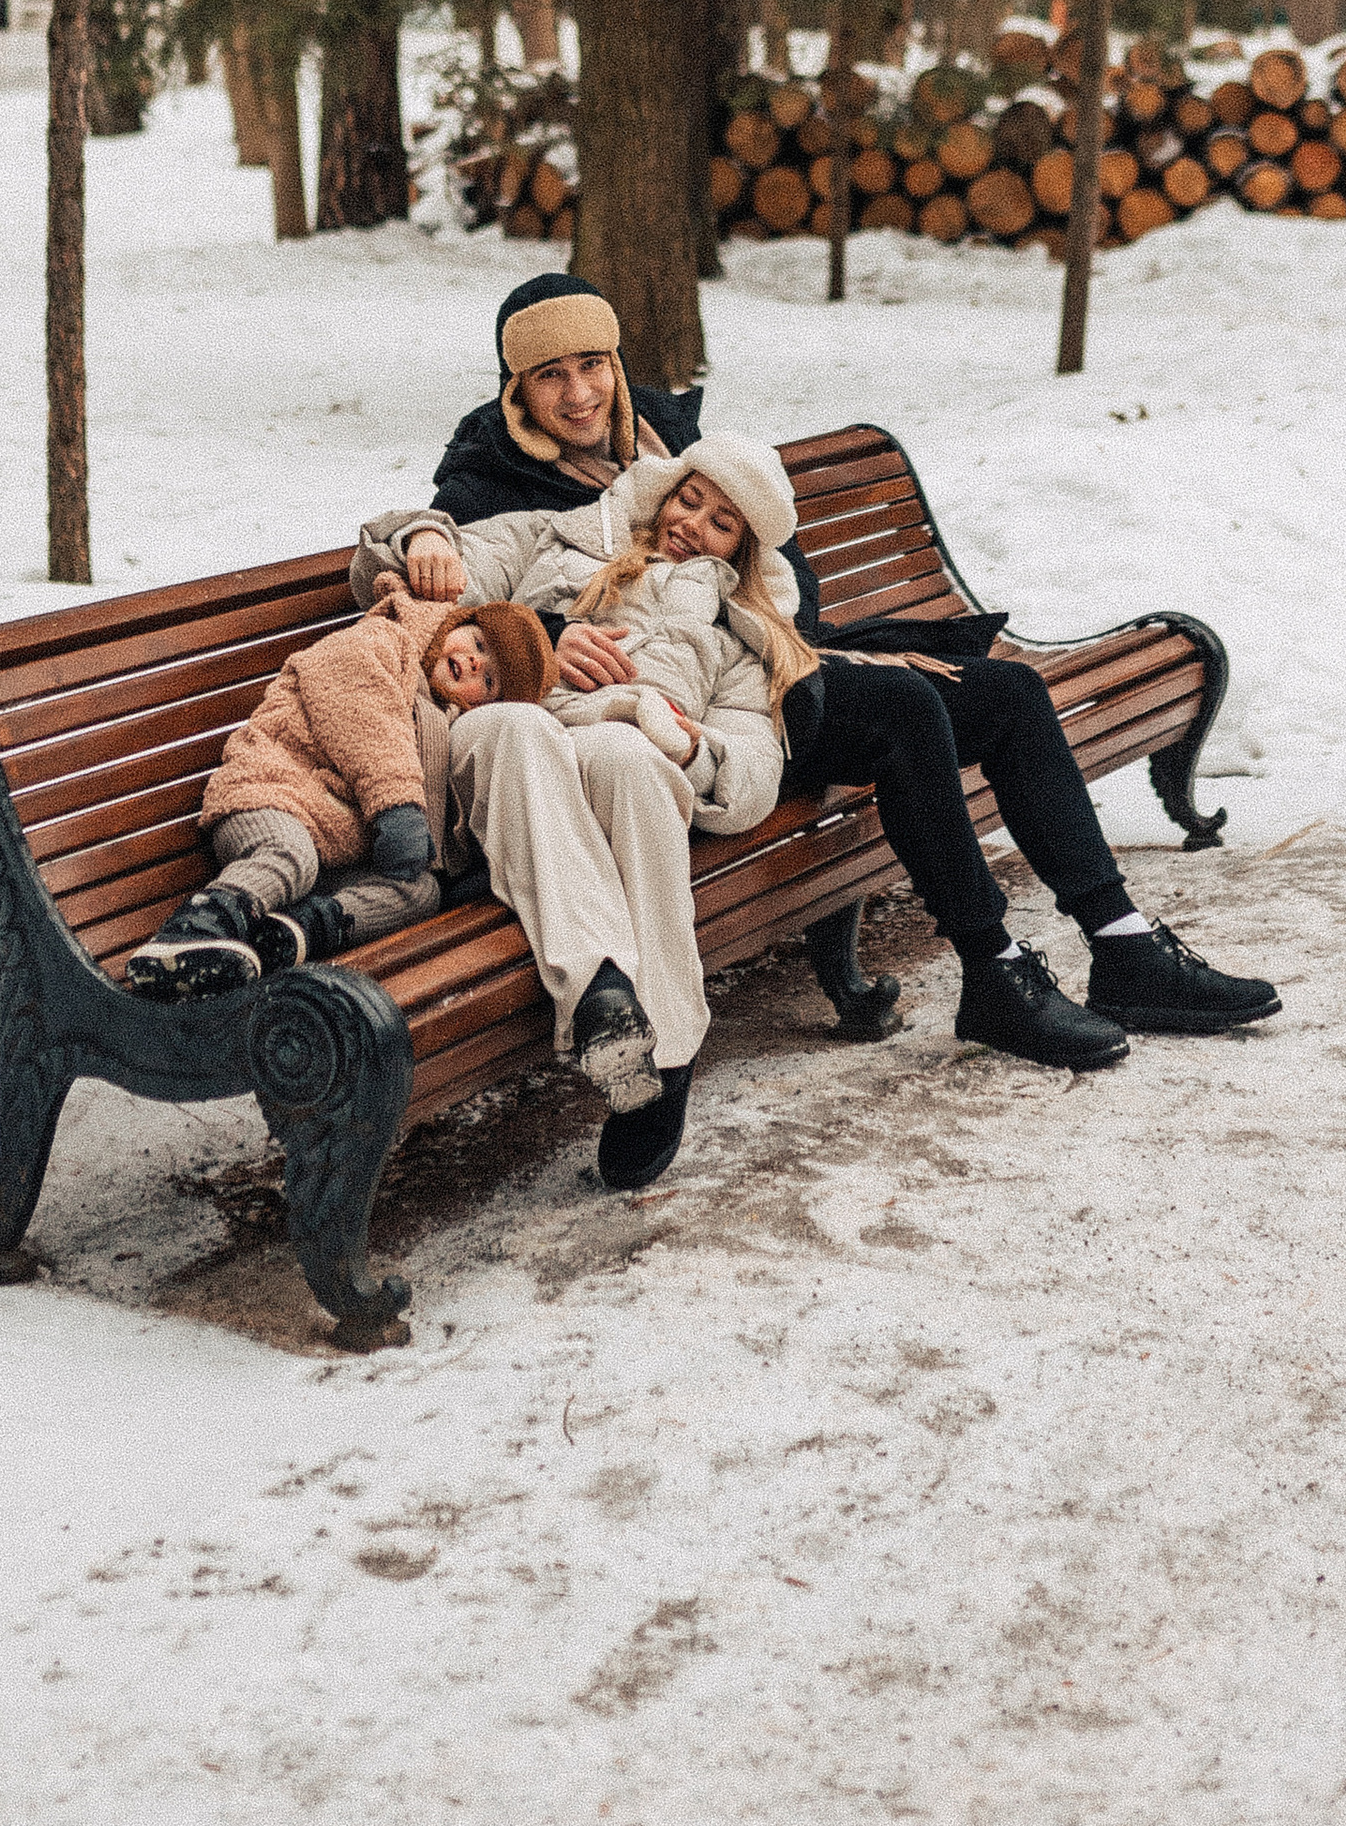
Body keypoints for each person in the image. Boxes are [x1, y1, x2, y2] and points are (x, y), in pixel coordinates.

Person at [425, 273, 1281, 1066]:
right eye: (549, 376)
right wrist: (540, 635)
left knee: (1010, 693)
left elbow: (772, 550)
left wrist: (801, 627)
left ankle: (1122, 939)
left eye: (591, 366)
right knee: (906, 709)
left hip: (766, 654)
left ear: (614, 362)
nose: (578, 394)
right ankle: (993, 969)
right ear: (515, 387)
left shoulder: (659, 429)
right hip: (695, 714)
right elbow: (461, 596)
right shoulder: (487, 477)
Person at [353, 435, 818, 1193]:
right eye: (688, 499)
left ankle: (651, 1051)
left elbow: (755, 774)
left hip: (615, 780)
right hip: (494, 770)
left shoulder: (737, 642)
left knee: (628, 754)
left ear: (742, 554)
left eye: (721, 522)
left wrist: (695, 750)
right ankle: (602, 982)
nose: (693, 523)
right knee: (520, 725)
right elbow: (404, 564)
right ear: (663, 493)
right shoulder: (560, 536)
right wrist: (444, 550)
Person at [126, 587, 555, 997]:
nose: (476, 663)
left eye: (491, 680)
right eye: (478, 643)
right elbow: (363, 712)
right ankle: (195, 931)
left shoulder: (440, 722)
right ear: (458, 622)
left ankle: (292, 933)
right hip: (272, 791)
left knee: (418, 890)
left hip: (331, 845)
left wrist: (465, 868)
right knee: (288, 855)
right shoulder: (385, 639)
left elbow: (436, 826)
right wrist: (400, 809)